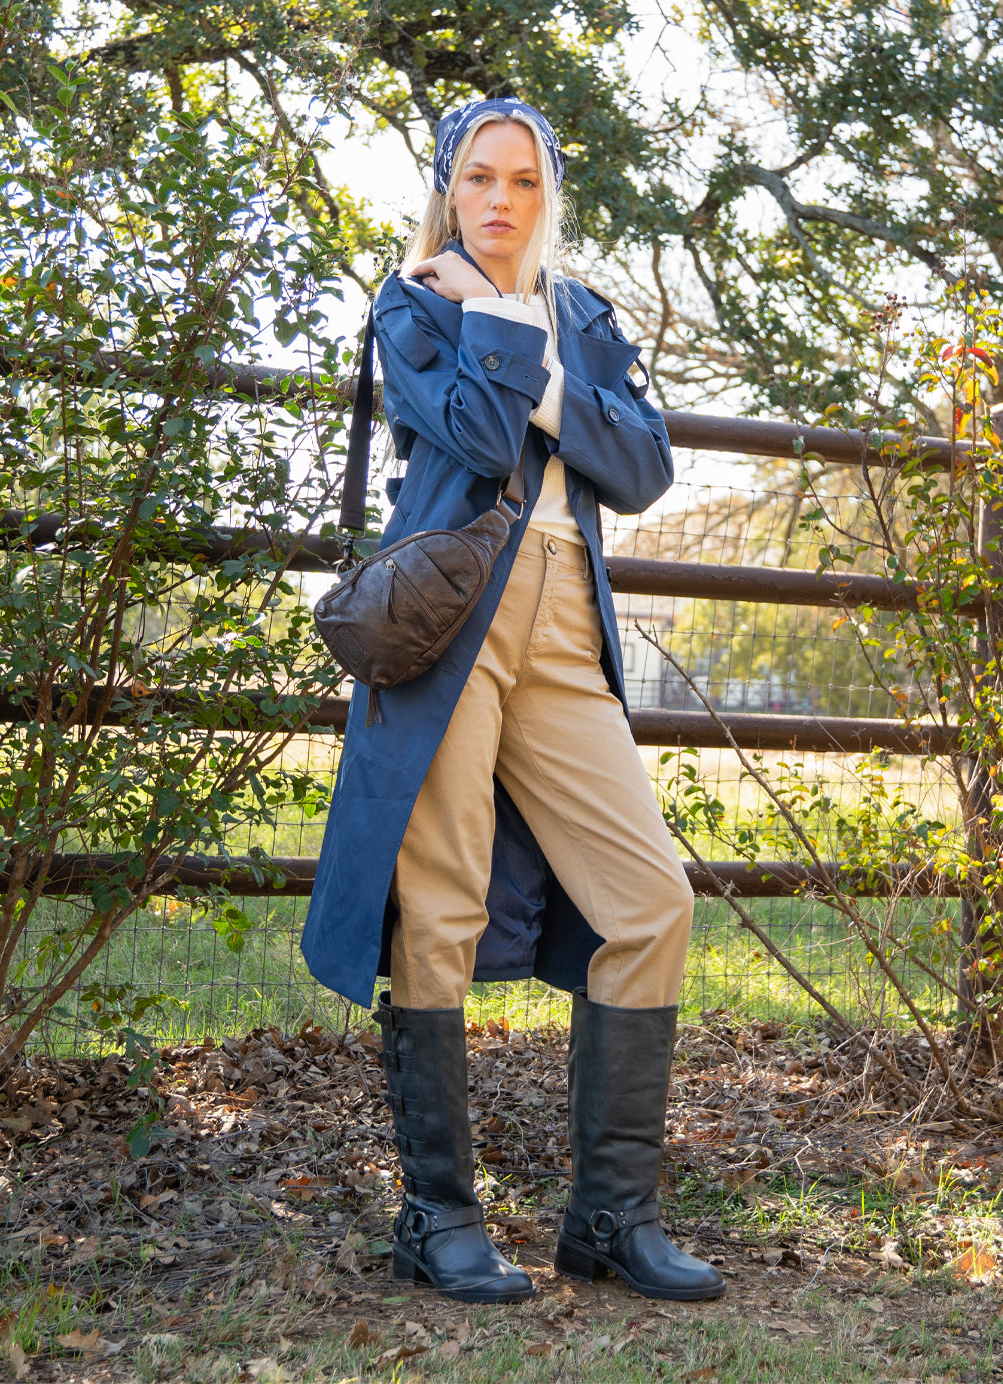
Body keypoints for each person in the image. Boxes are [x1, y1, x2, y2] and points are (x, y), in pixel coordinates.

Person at [302, 97, 724, 1306]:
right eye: (478, 178)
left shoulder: (583, 312)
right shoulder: (412, 303)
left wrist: (536, 360)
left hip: (564, 619)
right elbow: (482, 430)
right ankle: (437, 1217)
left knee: (650, 898)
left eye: (523, 183)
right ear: (448, 186)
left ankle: (611, 1216)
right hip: (453, 614)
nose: (499, 201)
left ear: (549, 194)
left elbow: (641, 468)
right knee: (438, 901)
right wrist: (498, 326)